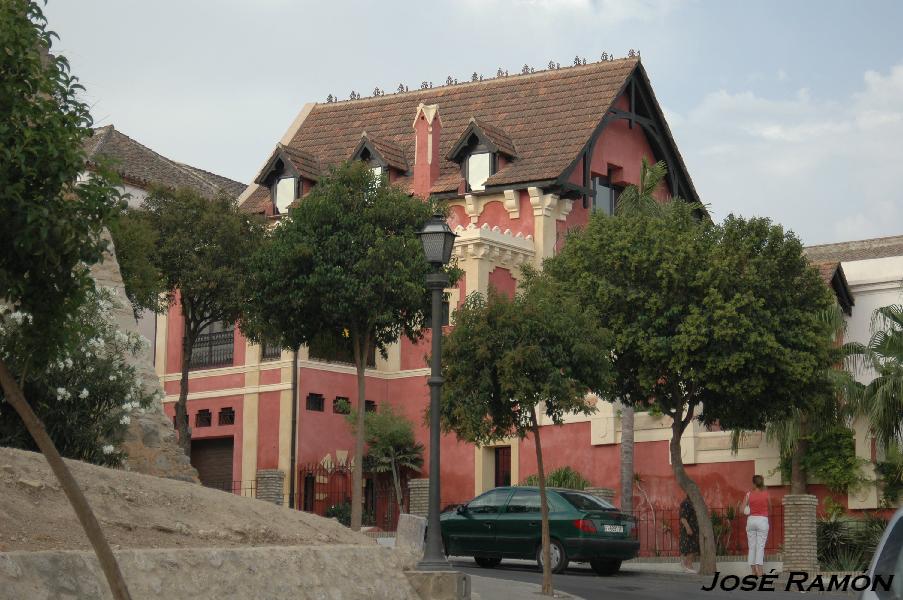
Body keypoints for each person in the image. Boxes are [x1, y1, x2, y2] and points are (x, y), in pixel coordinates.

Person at [744, 474, 771, 576]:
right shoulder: (766, 494)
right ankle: (760, 571)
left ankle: (753, 571)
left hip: (751, 520)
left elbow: (742, 509)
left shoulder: (749, 494)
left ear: (753, 483)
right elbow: (770, 508)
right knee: (760, 546)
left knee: (752, 546)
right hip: (762, 520)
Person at [679, 495, 699, 573]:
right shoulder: (686, 503)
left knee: (692, 547)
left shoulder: (691, 503)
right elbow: (683, 518)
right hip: (689, 530)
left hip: (693, 530)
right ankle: (688, 566)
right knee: (690, 548)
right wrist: (688, 528)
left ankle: (687, 565)